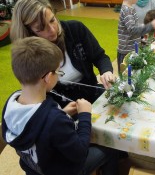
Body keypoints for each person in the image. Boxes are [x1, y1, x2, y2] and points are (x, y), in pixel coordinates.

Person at [1, 36, 119, 175]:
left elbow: (36, 125)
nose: (59, 76)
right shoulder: (54, 120)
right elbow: (80, 152)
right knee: (113, 147)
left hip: (36, 168)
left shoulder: (11, 103)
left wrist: (63, 113)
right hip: (65, 170)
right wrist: (84, 115)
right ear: (48, 77)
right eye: (58, 72)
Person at [10, 0, 115, 106]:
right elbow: (36, 94)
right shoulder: (29, 54)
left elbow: (100, 56)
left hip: (92, 94)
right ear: (29, 32)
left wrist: (106, 72)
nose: (52, 30)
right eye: (41, 28)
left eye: (52, 20)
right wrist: (63, 112)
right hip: (60, 108)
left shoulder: (76, 29)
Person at [117, 0, 155, 73]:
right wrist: (150, 26)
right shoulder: (127, 11)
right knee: (126, 77)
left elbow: (135, 28)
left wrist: (143, 38)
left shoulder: (130, 8)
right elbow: (133, 30)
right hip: (126, 52)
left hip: (133, 48)